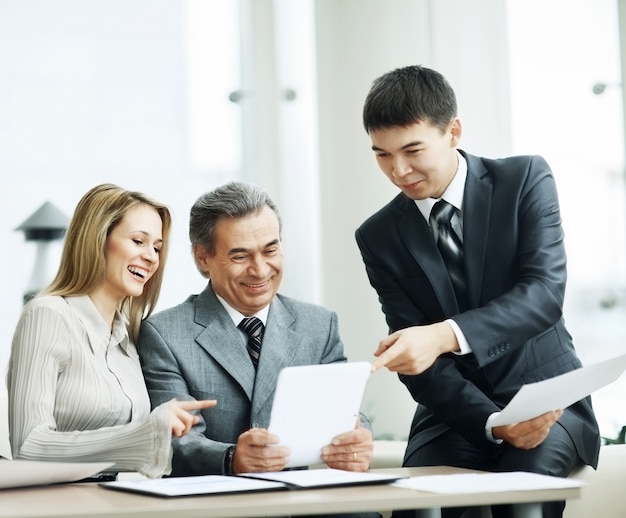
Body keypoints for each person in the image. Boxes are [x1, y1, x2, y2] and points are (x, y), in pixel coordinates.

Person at [354, 65, 600, 518]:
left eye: (412, 150)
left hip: (547, 402)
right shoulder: (378, 235)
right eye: (382, 155)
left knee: (520, 507)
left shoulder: (524, 179)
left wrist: (442, 335)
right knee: (415, 510)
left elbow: (543, 295)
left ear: (454, 131)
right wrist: (491, 422)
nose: (399, 170)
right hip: (455, 415)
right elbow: (419, 366)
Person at [139, 181, 375, 478]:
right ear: (203, 257)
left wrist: (357, 438)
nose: (261, 270)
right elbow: (175, 439)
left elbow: (345, 410)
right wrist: (232, 459)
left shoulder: (319, 325)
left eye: (270, 250)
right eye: (240, 256)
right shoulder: (164, 334)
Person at [7, 184, 215, 479]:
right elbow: (29, 447)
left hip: (127, 500)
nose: (152, 257)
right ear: (97, 240)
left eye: (156, 247)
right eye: (138, 241)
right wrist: (144, 435)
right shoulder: (48, 315)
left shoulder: (129, 337)